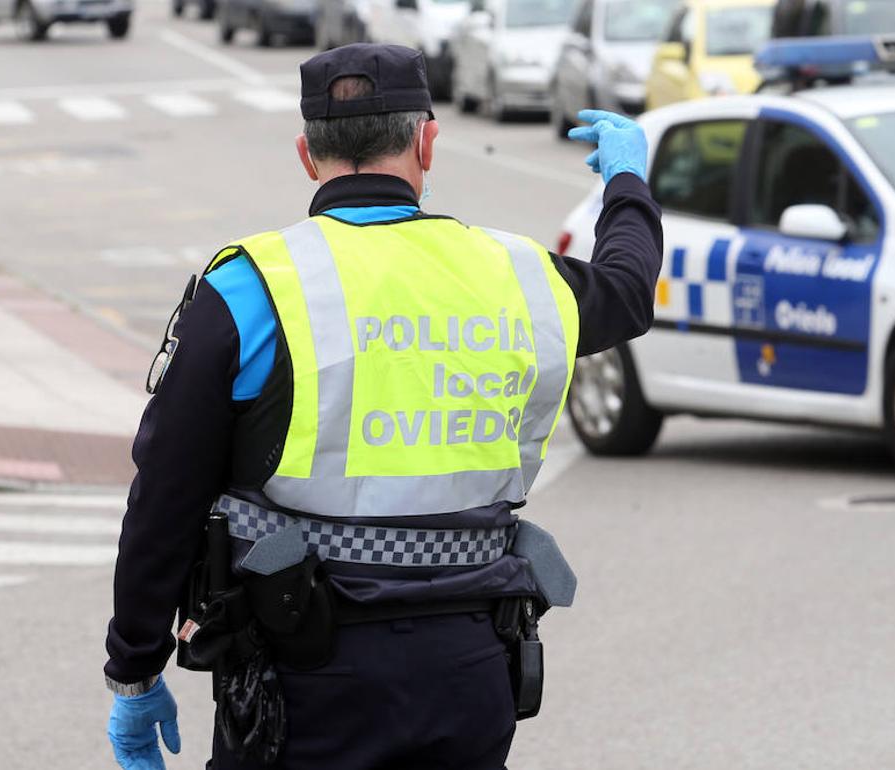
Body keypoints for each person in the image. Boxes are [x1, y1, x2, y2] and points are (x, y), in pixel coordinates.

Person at [103, 43, 663, 770]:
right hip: (472, 673)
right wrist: (626, 181)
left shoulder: (252, 287)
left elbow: (166, 495)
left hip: (300, 678)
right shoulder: (518, 276)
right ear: (427, 143)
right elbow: (626, 288)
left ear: (308, 155)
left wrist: (135, 668)